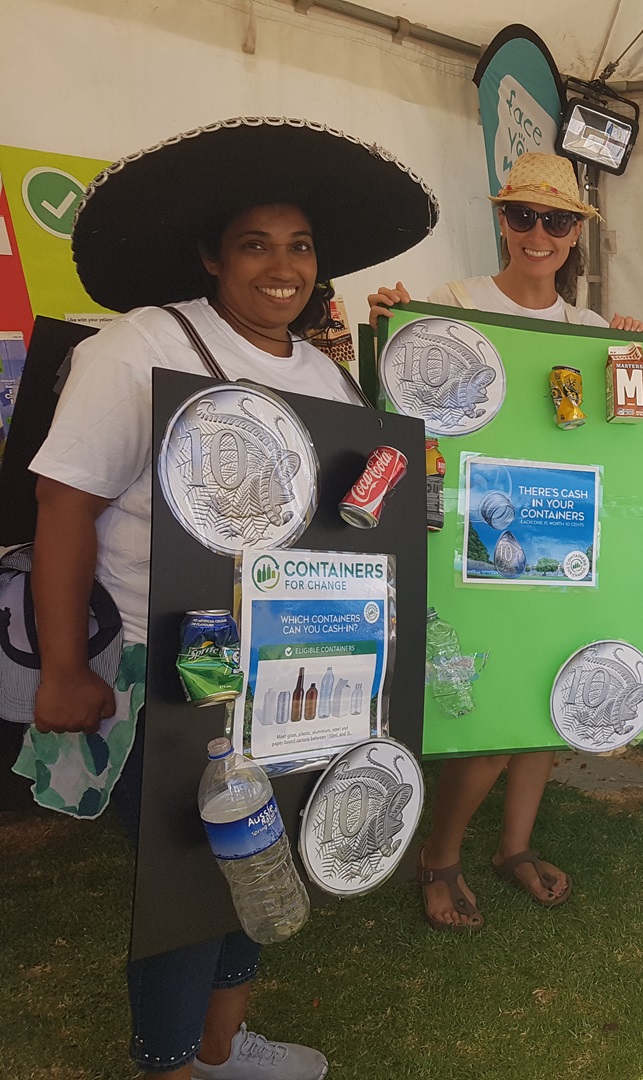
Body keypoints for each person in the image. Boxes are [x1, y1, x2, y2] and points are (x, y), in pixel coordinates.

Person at [24, 116, 439, 1077]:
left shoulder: (325, 371)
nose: (282, 266)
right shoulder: (142, 346)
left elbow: (341, 523)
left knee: (267, 859)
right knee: (189, 885)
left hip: (296, 677)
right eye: (256, 242)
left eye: (299, 245)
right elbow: (62, 503)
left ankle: (220, 1051)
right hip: (172, 677)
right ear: (211, 255)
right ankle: (168, 1063)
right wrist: (61, 670)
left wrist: (404, 503)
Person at [368, 151, 643, 931]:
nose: (538, 233)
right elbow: (411, 406)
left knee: (548, 705)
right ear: (501, 219)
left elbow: (613, 442)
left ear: (574, 233)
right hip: (469, 537)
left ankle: (512, 848)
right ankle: (440, 856)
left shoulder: (592, 332)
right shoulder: (449, 306)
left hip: (561, 540)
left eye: (555, 220)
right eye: (523, 215)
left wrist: (629, 353)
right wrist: (396, 325)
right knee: (486, 719)